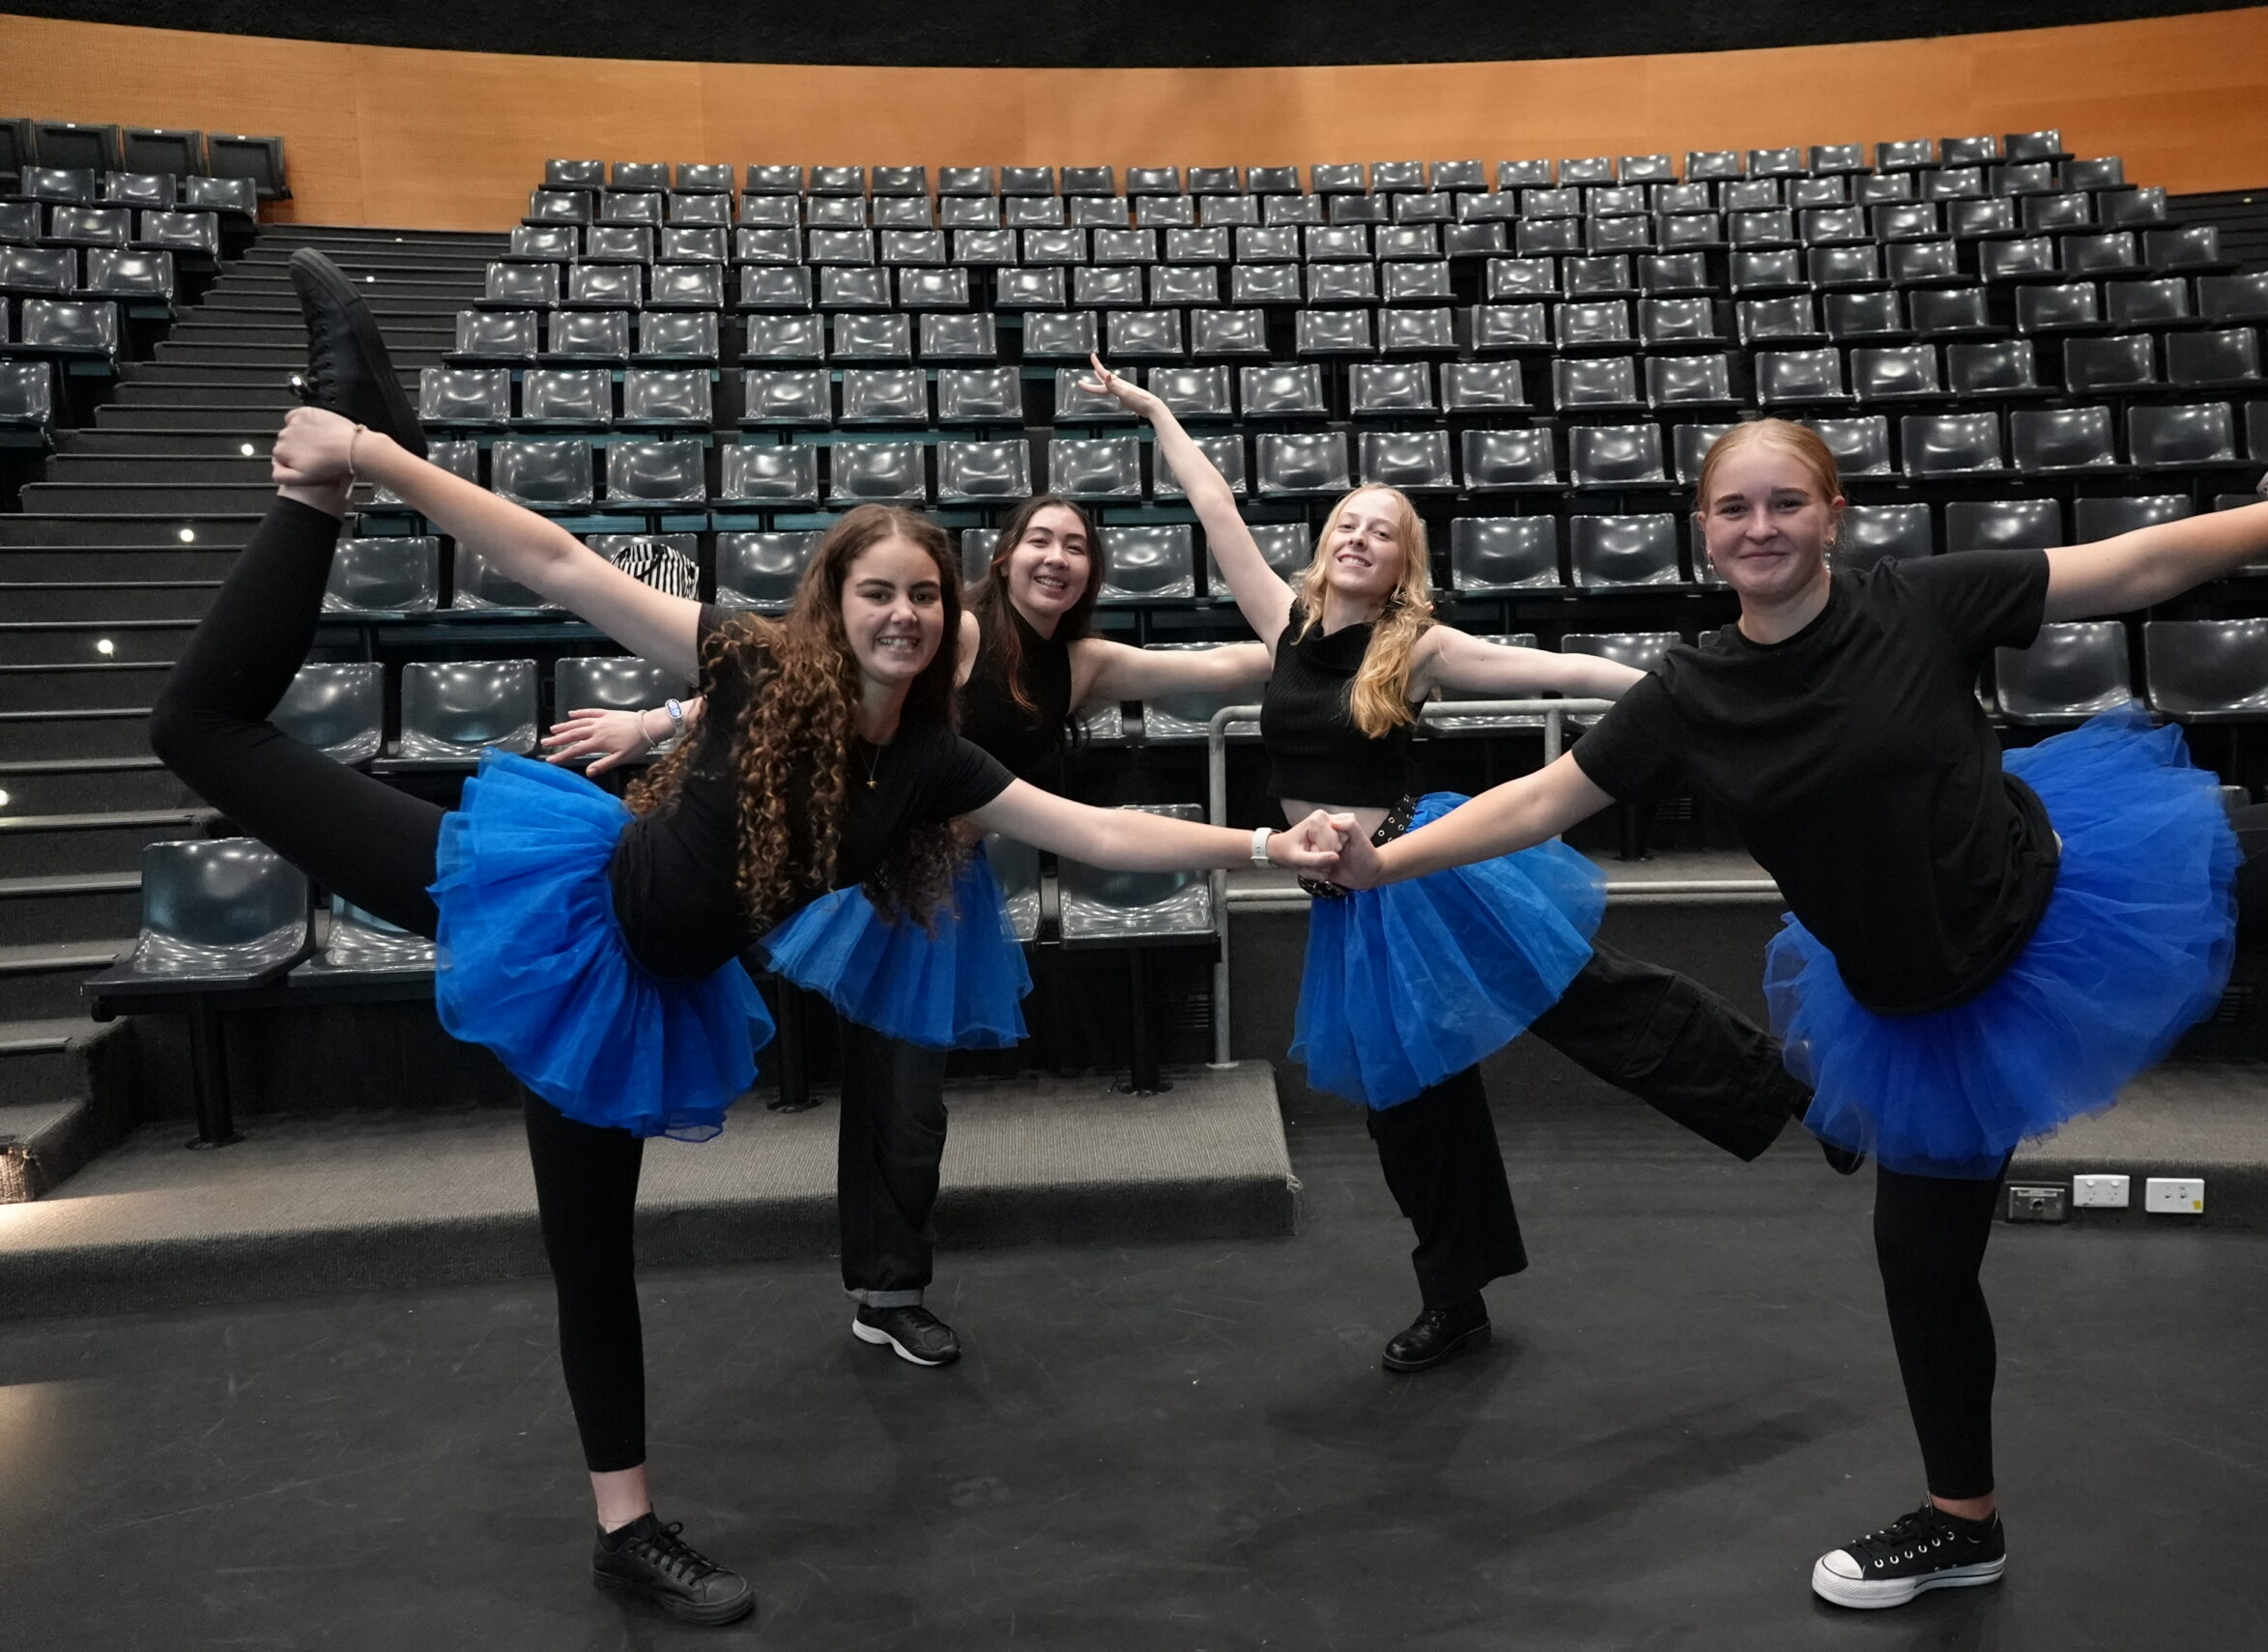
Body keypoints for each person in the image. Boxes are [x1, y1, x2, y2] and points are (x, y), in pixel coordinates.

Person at [146, 252, 1346, 1627]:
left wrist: (1267, 848)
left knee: (591, 1256)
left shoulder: (937, 764)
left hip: (636, 996)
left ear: (952, 617)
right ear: (834, 600)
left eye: (926, 596)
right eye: (878, 590)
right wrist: (369, 459)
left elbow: (1099, 830)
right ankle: (323, 472)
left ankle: (624, 1533)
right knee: (200, 728)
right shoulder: (757, 662)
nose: (904, 613)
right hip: (552, 908)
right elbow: (556, 560)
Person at [1324, 359, 2268, 1609]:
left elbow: (2133, 567)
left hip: (2073, 908)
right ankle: (1964, 1527)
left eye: (1785, 503)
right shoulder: (1691, 693)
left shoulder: (1915, 602)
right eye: (1735, 508)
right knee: (1922, 1264)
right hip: (1923, 1011)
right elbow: (1541, 799)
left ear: (1831, 516)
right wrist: (1383, 862)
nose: (1760, 527)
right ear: (1703, 530)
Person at [1078, 356, 1813, 1375]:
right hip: (1349, 904)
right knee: (1411, 1107)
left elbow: (1556, 669)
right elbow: (1212, 504)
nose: (1358, 537)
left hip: (1427, 869)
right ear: (1323, 544)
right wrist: (1154, 408)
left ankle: (1791, 1091)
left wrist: (1687, 690)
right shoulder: (1283, 624)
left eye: (1381, 531)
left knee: (1590, 999)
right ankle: (1454, 1296)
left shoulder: (1416, 647)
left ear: (1402, 565)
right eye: (1347, 523)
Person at [544, 495, 1272, 1370]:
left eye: (1075, 546)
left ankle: (888, 1291)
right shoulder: (951, 628)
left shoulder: (1086, 665)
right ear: (1003, 556)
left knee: (910, 1104)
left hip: (941, 893)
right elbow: (799, 678)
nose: (1056, 558)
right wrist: (654, 722)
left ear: (1091, 572)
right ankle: (885, 1290)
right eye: (1039, 540)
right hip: (865, 874)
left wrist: (1331, 634)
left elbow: (1229, 667)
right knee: (894, 1093)